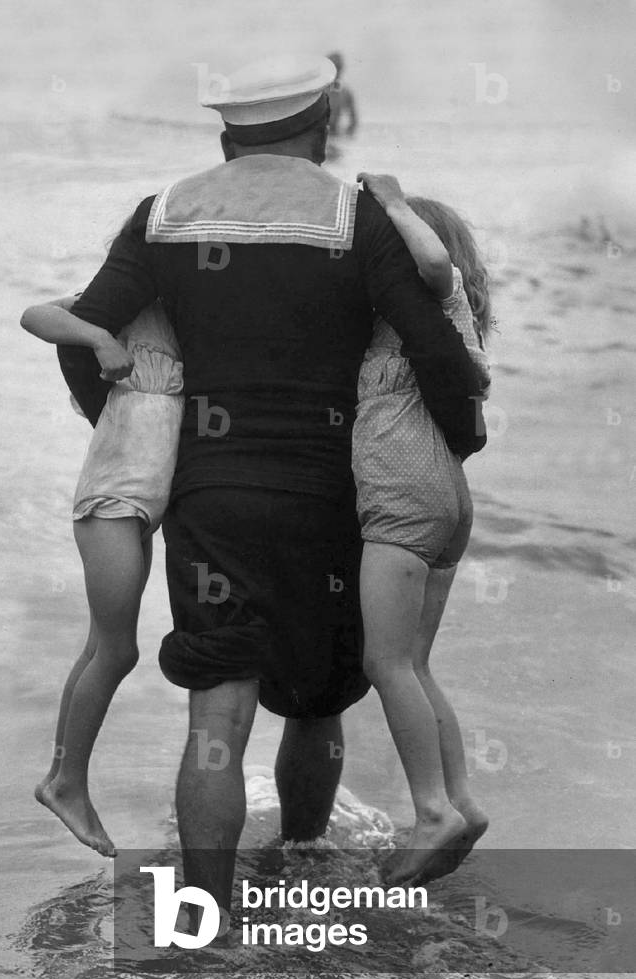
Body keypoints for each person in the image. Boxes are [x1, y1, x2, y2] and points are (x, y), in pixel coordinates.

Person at [45, 53, 485, 928]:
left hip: (214, 495)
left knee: (222, 700)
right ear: (323, 126)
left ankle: (204, 911)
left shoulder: (164, 215)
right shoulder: (358, 219)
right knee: (319, 698)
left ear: (224, 137)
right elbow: (435, 347)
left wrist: (132, 428)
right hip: (333, 493)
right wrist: (456, 446)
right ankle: (301, 868)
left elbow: (89, 326)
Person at [353, 172, 491, 882]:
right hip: (448, 496)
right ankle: (461, 799)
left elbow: (430, 262)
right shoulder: (446, 322)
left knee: (386, 663)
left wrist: (393, 204)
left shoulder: (431, 295)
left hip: (404, 491)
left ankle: (431, 809)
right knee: (417, 663)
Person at [20, 296, 183, 857]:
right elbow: (36, 315)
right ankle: (66, 784)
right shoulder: (129, 308)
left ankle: (59, 778)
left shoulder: (197, 317)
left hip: (141, 508)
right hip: (109, 502)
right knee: (116, 651)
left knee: (99, 646)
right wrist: (99, 339)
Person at [327, 52, 357, 137]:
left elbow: (354, 121)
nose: (336, 72)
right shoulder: (318, 91)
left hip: (334, 133)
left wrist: (347, 134)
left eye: (338, 67)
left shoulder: (346, 93)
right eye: (334, 67)